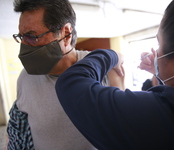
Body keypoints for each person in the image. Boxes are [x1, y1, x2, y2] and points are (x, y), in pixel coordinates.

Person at [55, 0, 174, 149]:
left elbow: (70, 84)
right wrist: (163, 71)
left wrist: (112, 55)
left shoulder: (169, 119)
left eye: (159, 44)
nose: (157, 53)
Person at [6, 0, 125, 149]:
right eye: (22, 37)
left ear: (66, 34)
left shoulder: (107, 71)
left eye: (32, 36)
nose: (24, 46)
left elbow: (121, 132)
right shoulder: (25, 78)